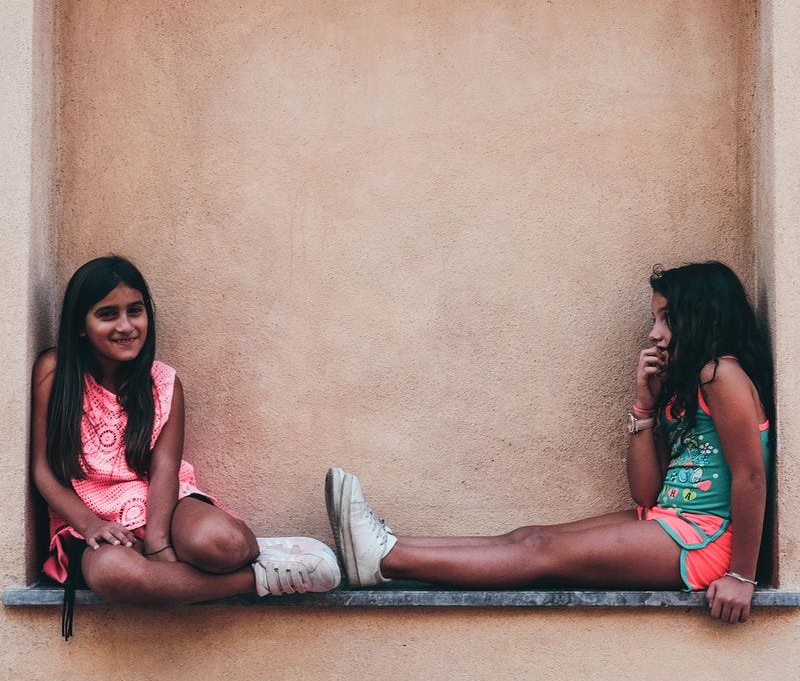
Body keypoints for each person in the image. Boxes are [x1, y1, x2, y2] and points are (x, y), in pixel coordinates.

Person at [326, 262, 774, 625]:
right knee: (529, 537)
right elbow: (647, 495)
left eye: (667, 319)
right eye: (654, 318)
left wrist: (741, 576)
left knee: (542, 554)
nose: (654, 333)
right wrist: (644, 406)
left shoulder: (722, 374)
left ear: (704, 317)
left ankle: (388, 559)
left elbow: (751, 477)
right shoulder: (689, 388)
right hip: (672, 522)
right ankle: (387, 548)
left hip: (708, 540)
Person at [32, 255, 340, 639]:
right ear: (81, 326)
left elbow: (164, 469)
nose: (126, 326)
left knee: (224, 545)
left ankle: (253, 554)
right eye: (107, 314)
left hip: (163, 505)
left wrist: (159, 546)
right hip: (91, 523)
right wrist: (90, 523)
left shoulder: (162, 383)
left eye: (135, 311)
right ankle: (259, 578)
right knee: (115, 575)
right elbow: (42, 469)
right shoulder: (55, 372)